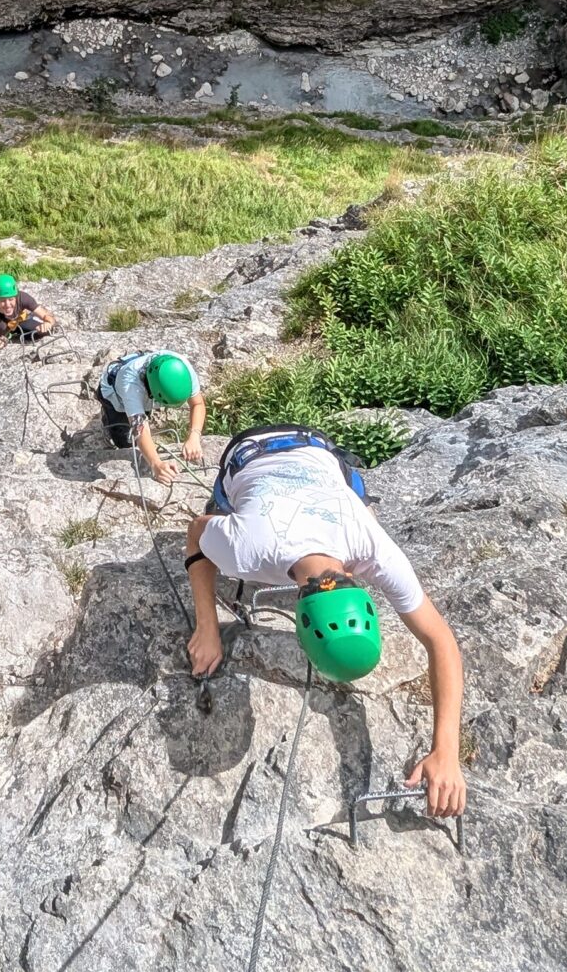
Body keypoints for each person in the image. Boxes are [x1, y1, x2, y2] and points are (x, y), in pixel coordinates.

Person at [185, 425, 465, 815]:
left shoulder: (374, 547)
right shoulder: (244, 554)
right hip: (249, 451)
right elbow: (198, 531)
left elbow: (441, 641)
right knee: (223, 512)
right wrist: (206, 625)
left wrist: (446, 751)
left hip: (318, 449)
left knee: (364, 512)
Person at [97, 347, 204, 483]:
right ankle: (108, 425)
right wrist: (156, 464)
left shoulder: (182, 367)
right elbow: (140, 429)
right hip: (114, 396)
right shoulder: (130, 385)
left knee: (140, 416)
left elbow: (197, 404)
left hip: (143, 388)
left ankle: (137, 412)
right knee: (124, 441)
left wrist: (194, 436)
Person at [0, 272, 55, 352]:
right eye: (2, 300)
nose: (7, 305)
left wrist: (48, 323)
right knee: (0, 326)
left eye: (11, 299)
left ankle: (14, 332)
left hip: (17, 322)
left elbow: (46, 315)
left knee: (42, 332)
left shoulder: (23, 298)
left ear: (16, 297)